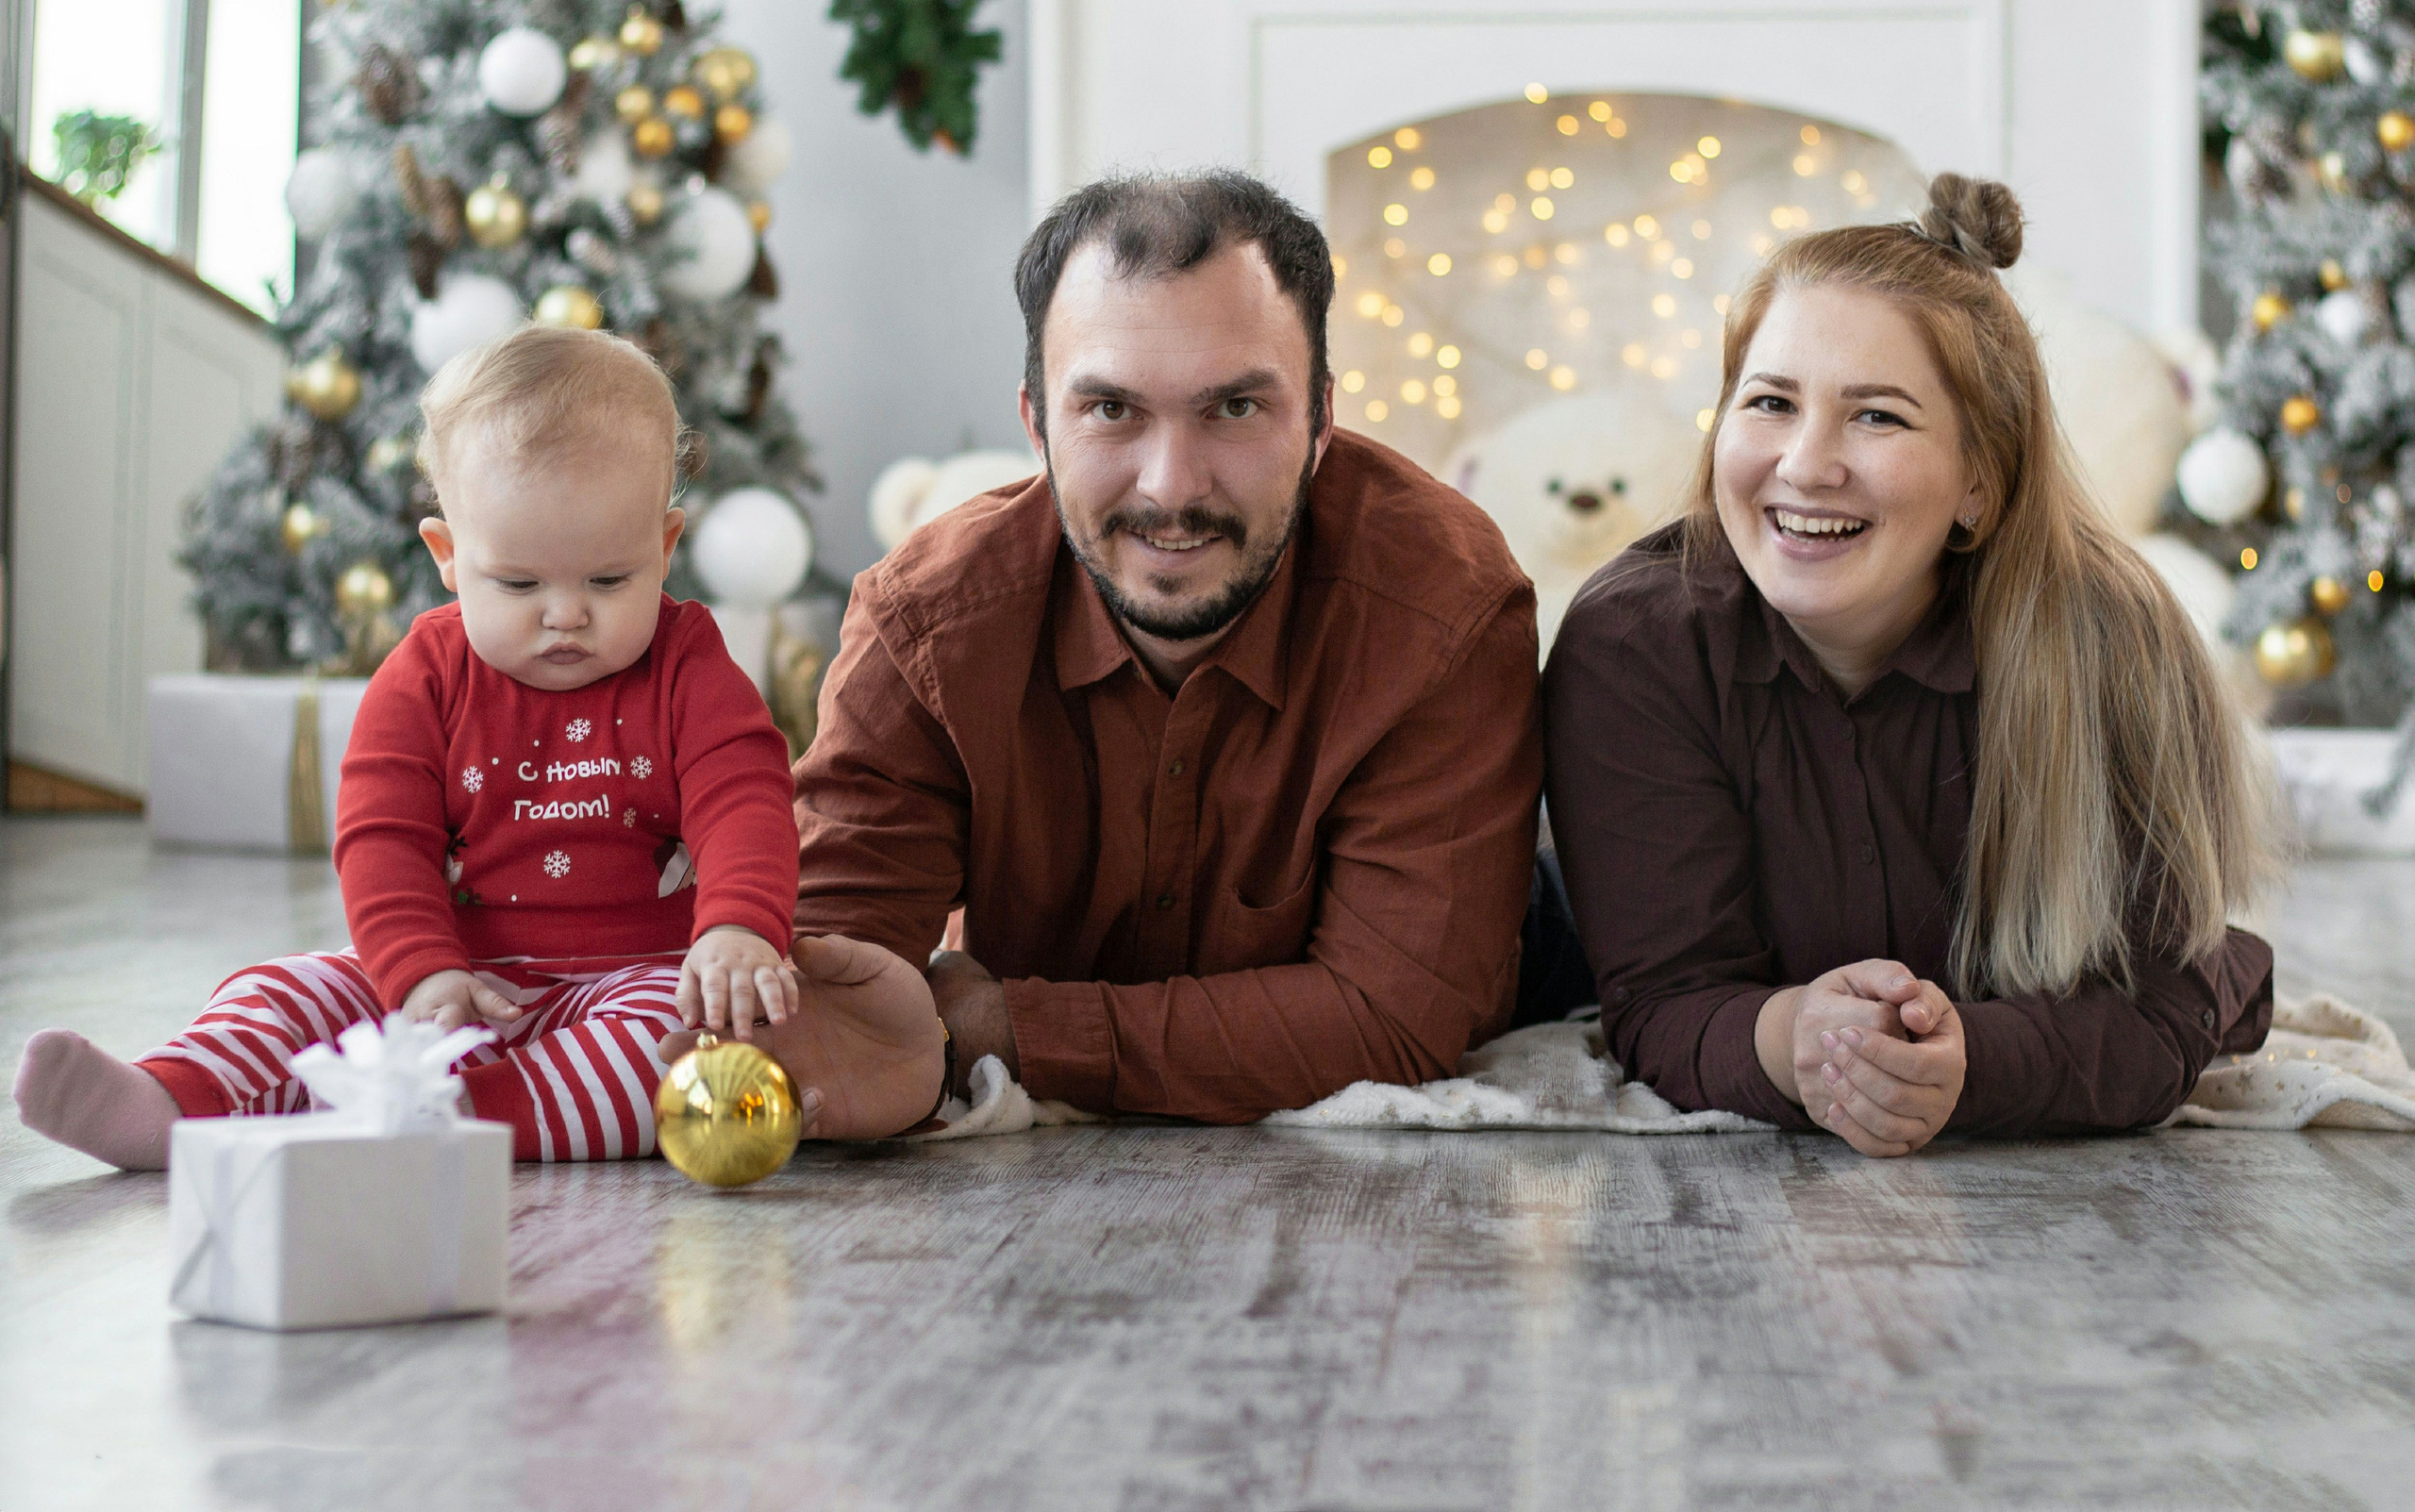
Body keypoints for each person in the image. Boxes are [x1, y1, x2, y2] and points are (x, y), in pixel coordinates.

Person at [721, 170, 1542, 1124]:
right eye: (1111, 409)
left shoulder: (1444, 606)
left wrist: (998, 1026)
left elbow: (1391, 1020)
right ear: (1037, 425)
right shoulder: (928, 625)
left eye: (1233, 408)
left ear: (1320, 423)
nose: (1169, 484)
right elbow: (827, 989)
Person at [1538, 173, 2281, 1155]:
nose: (1805, 463)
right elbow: (1665, 1000)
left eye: (1876, 416)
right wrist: (1797, 1039)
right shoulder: (1634, 644)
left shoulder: (2112, 643)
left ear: (1980, 479)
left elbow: (2153, 1015)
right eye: (1770, 402)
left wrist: (1965, 1057)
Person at [13, 325, 849, 1166]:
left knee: (678, 1052)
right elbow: (382, 839)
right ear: (448, 557)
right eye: (518, 584)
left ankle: (449, 1115)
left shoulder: (687, 663)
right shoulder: (426, 675)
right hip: (455, 980)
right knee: (288, 988)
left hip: (633, 979)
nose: (565, 613)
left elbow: (744, 802)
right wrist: (418, 974)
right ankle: (170, 1099)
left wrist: (737, 930)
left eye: (608, 580)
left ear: (663, 549)